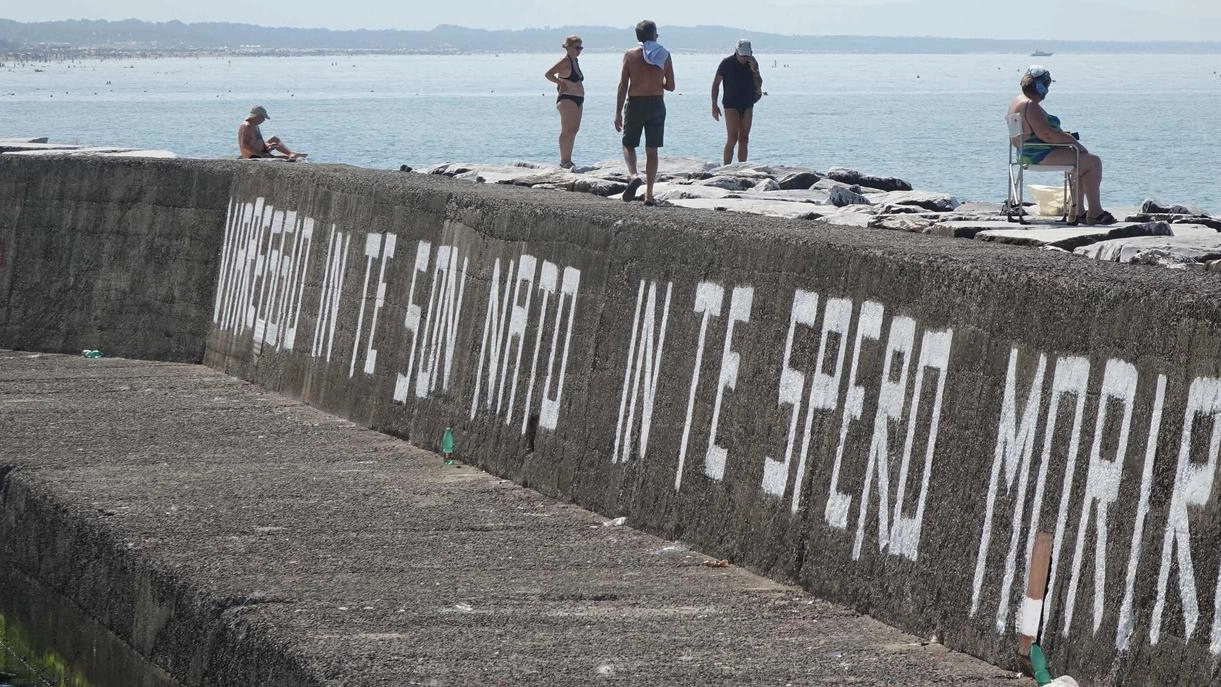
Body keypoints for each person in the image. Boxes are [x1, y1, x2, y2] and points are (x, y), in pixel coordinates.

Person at [1007, 66, 1113, 225]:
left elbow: (1036, 132)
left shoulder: (1017, 101)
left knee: (1082, 162)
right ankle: (1095, 212)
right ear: (1041, 86)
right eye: (1047, 86)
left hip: (1026, 152)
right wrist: (1072, 140)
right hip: (1038, 154)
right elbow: (1046, 135)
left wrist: (1064, 136)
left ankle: (1078, 211)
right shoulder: (1031, 105)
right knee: (1093, 162)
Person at [614, 20, 675, 206]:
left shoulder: (630, 55)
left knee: (628, 144)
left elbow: (623, 84)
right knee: (652, 150)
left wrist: (617, 112)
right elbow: (671, 86)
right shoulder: (664, 54)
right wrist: (658, 81)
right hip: (656, 103)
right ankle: (649, 195)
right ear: (654, 34)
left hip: (635, 103)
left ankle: (633, 175)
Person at [711, 39, 763, 165]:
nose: (744, 57)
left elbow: (759, 85)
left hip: (748, 102)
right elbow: (716, 84)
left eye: (747, 54)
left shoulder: (753, 63)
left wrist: (754, 69)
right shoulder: (727, 63)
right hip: (731, 103)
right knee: (732, 137)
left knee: (744, 138)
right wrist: (714, 104)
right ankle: (726, 167)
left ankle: (742, 166)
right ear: (736, 51)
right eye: (742, 54)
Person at [544, 36, 586, 169]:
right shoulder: (564, 61)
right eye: (576, 48)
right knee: (567, 130)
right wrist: (560, 82)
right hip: (567, 99)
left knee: (574, 129)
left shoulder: (575, 61)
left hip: (578, 99)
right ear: (568, 47)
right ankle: (564, 160)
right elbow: (548, 74)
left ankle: (569, 159)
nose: (579, 50)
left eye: (581, 48)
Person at [238, 105, 307, 160]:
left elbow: (256, 140)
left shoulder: (255, 125)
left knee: (274, 139)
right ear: (256, 116)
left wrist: (268, 145)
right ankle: (291, 155)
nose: (264, 120)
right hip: (253, 156)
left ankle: (291, 153)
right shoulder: (247, 127)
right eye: (263, 117)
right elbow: (245, 145)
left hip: (260, 151)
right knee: (286, 158)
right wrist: (262, 154)